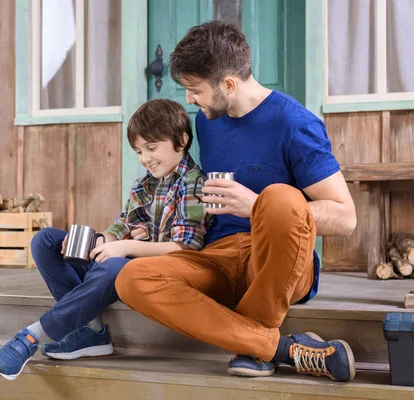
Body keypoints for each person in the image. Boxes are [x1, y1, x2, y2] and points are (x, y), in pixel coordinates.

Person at [115, 21, 358, 382]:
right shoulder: (208, 121)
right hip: (219, 257)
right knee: (133, 278)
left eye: (195, 90)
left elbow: (345, 217)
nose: (189, 101)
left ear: (228, 84)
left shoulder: (295, 124)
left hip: (278, 259)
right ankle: (277, 348)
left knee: (278, 198)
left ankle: (256, 339)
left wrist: (257, 206)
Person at [0, 98, 212, 380]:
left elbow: (185, 247)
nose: (145, 158)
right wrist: (101, 240)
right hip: (118, 264)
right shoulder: (145, 183)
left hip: (150, 272)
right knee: (45, 240)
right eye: (139, 151)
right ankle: (91, 330)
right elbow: (121, 225)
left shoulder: (193, 181)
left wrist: (127, 246)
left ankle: (33, 336)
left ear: (181, 141)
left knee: (115, 265)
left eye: (152, 148)